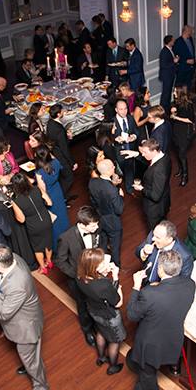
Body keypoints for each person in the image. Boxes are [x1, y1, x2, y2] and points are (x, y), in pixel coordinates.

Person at [0, 244, 49, 390]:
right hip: (26, 317)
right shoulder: (13, 258)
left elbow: (4, 312)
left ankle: (41, 389)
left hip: (26, 328)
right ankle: (28, 364)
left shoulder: (17, 284)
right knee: (30, 357)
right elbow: (4, 291)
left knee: (31, 361)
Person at [125, 249, 195, 390]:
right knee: (146, 371)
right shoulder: (190, 284)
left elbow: (132, 315)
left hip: (151, 345)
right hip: (172, 339)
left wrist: (136, 286)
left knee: (147, 374)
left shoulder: (149, 294)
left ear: (161, 270)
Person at [54, 206, 109, 346]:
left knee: (97, 301)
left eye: (97, 224)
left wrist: (102, 259)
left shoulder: (96, 229)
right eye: (93, 225)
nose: (97, 227)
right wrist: (77, 275)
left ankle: (99, 326)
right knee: (83, 305)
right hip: (78, 278)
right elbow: (60, 261)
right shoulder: (66, 238)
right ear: (82, 224)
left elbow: (101, 243)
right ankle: (87, 330)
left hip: (96, 274)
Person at [76, 248, 126, 373]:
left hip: (94, 311)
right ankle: (113, 367)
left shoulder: (79, 276)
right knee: (114, 341)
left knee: (101, 332)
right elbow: (118, 302)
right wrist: (116, 279)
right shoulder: (103, 285)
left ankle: (101, 357)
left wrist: (102, 274)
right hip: (109, 316)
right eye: (102, 262)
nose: (105, 263)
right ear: (93, 267)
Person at [10, 171, 54, 273]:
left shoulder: (16, 201)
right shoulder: (37, 189)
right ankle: (49, 262)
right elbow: (49, 202)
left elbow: (21, 219)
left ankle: (43, 268)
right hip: (46, 219)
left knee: (37, 247)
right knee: (48, 242)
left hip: (34, 225)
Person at [89, 159, 124, 266]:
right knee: (115, 245)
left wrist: (112, 184)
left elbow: (93, 200)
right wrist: (121, 196)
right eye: (113, 166)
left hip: (99, 217)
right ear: (109, 171)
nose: (114, 168)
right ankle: (115, 265)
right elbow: (119, 209)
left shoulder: (92, 182)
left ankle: (102, 262)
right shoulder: (112, 190)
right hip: (112, 221)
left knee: (102, 241)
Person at [33, 145, 68, 244]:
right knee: (62, 214)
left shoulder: (39, 172)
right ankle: (67, 237)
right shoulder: (56, 162)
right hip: (57, 190)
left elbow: (42, 190)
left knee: (54, 219)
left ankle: (58, 242)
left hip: (49, 195)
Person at [136, 138, 171, 230]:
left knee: (154, 230)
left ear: (154, 151)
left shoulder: (158, 170)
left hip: (155, 209)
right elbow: (150, 163)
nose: (143, 154)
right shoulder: (164, 156)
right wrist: (136, 154)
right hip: (164, 200)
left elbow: (155, 196)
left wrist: (141, 188)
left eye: (145, 152)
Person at [44, 104, 76, 196]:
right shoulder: (59, 129)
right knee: (69, 177)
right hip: (60, 156)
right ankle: (61, 196)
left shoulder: (50, 123)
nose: (63, 112)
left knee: (62, 177)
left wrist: (66, 137)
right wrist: (72, 162)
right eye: (62, 111)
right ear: (58, 114)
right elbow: (64, 148)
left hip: (54, 153)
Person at [111, 98, 141, 191]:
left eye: (125, 108)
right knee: (120, 171)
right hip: (118, 152)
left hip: (131, 148)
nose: (124, 111)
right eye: (121, 109)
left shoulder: (130, 118)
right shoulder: (111, 122)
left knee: (130, 169)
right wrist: (115, 139)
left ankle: (129, 189)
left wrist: (134, 136)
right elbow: (105, 138)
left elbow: (136, 130)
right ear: (116, 110)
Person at [170, 85, 195, 187]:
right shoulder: (176, 102)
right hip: (176, 131)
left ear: (180, 93)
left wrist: (176, 117)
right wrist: (173, 111)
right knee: (178, 152)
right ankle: (181, 170)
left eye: (175, 91)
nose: (174, 93)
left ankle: (185, 176)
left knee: (182, 155)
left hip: (184, 132)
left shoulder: (188, 104)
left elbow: (190, 120)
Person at [159, 35, 178, 113]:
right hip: (166, 76)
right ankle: (163, 110)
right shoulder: (164, 52)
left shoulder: (170, 49)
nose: (174, 41)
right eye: (173, 40)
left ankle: (167, 108)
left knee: (168, 92)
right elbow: (163, 65)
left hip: (170, 75)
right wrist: (174, 61)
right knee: (165, 94)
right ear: (169, 42)